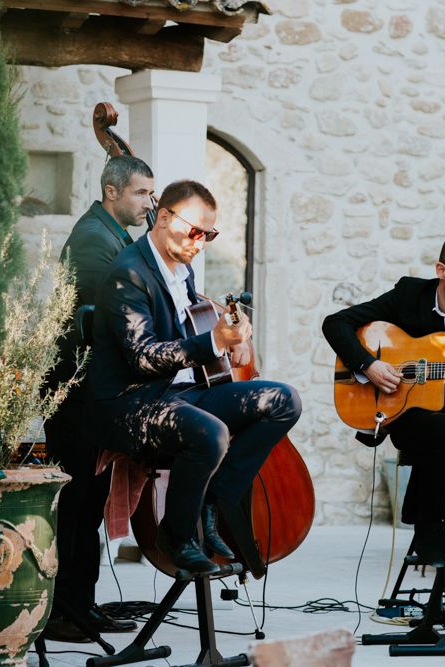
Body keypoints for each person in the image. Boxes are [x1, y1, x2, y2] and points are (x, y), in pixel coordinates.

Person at [87, 179, 302, 576]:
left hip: (181, 394)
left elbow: (194, 321)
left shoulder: (181, 269)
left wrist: (235, 334)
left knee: (284, 400)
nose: (201, 242)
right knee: (211, 433)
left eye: (210, 234)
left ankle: (210, 502)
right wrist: (214, 342)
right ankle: (177, 534)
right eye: (195, 231)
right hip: (132, 403)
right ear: (165, 217)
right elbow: (143, 358)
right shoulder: (127, 275)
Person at [44, 155, 154, 641]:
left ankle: (82, 605)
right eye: (140, 193)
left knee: (86, 509)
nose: (149, 203)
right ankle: (66, 612)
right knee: (77, 509)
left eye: (151, 194)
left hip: (92, 396)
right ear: (112, 191)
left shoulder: (110, 236)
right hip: (78, 398)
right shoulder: (93, 241)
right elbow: (108, 320)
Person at [322, 231, 445, 567]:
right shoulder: (408, 295)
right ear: (442, 270)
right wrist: (368, 365)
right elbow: (335, 324)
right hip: (404, 415)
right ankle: (430, 527)